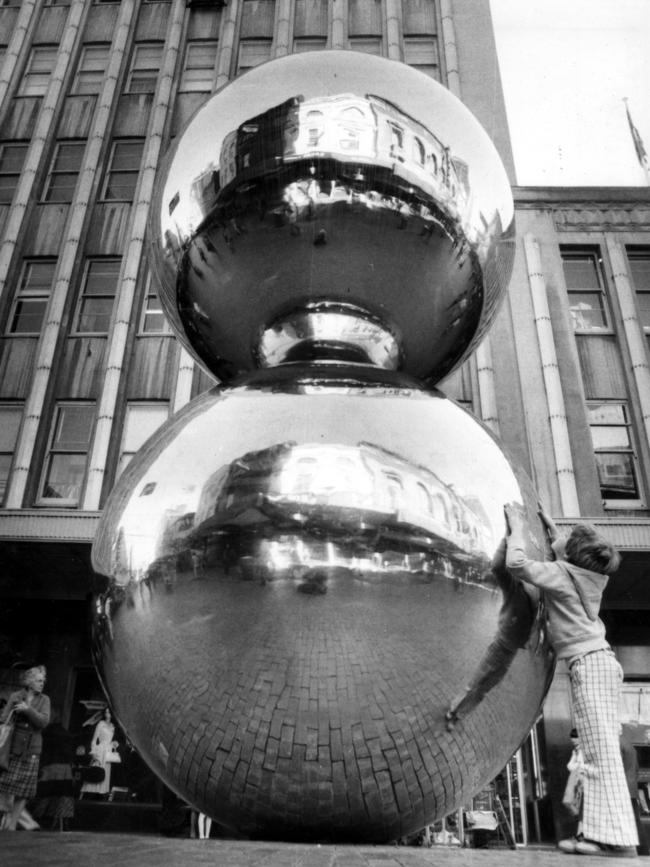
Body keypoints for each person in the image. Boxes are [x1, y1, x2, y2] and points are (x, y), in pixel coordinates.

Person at [505, 503, 638, 858]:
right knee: (596, 750)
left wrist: (518, 526)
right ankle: (600, 835)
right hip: (603, 663)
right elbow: (569, 549)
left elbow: (516, 564)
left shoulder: (562, 575)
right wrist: (552, 530)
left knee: (597, 754)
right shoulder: (591, 576)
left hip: (589, 665)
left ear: (572, 557)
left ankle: (612, 840)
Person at [445, 537, 538, 729]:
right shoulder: (516, 586)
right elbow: (496, 566)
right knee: (476, 682)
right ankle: (453, 712)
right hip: (501, 644)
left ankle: (460, 714)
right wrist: (508, 537)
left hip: (511, 651)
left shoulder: (538, 594)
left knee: (486, 687)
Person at [0, 665, 51, 831]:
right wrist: (14, 712)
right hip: (13, 748)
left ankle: (12, 824)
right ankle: (7, 819)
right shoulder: (16, 696)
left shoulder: (45, 700)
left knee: (24, 792)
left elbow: (43, 722)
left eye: (43, 681)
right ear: (29, 682)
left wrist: (28, 709)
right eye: (39, 680)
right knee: (5, 786)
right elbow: (4, 719)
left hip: (32, 750)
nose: (42, 683)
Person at [31, 710, 75, 831]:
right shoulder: (65, 733)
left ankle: (37, 823)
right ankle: (62, 825)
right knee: (63, 798)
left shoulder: (46, 733)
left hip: (50, 768)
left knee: (44, 797)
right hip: (65, 770)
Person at [620, 724, 650, 856]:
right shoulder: (630, 746)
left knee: (626, 819)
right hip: (631, 787)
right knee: (635, 819)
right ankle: (643, 848)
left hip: (622, 788)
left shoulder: (618, 744)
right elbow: (636, 768)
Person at [80, 706, 119, 799]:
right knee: (96, 772)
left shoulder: (113, 726)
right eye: (105, 712)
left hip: (108, 751)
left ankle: (102, 797)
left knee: (105, 775)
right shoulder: (101, 724)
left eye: (109, 712)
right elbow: (94, 740)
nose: (107, 714)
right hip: (100, 750)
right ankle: (84, 797)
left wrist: (114, 744)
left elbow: (113, 740)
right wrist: (94, 753)